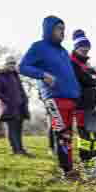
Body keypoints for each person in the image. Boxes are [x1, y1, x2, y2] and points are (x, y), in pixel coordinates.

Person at [19, 15, 82, 179]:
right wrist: (43, 74)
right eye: (59, 28)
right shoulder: (39, 47)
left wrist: (77, 93)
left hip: (71, 99)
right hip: (54, 99)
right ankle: (67, 171)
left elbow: (70, 75)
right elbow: (23, 67)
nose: (62, 32)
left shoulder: (63, 52)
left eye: (63, 29)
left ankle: (69, 167)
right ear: (49, 29)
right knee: (62, 134)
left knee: (68, 134)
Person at [70, 30, 96, 179]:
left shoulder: (86, 65)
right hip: (80, 106)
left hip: (92, 105)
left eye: (87, 48)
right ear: (76, 48)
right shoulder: (72, 63)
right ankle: (88, 170)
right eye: (82, 48)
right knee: (84, 139)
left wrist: (93, 77)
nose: (85, 51)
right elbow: (87, 80)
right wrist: (92, 78)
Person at [0, 55, 31, 156]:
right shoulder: (0, 75)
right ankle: (16, 151)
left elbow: (20, 90)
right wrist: (9, 101)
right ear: (5, 64)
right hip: (9, 108)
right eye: (10, 63)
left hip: (20, 107)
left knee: (18, 129)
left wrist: (25, 99)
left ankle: (21, 150)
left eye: (14, 63)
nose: (12, 65)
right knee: (12, 130)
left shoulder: (15, 75)